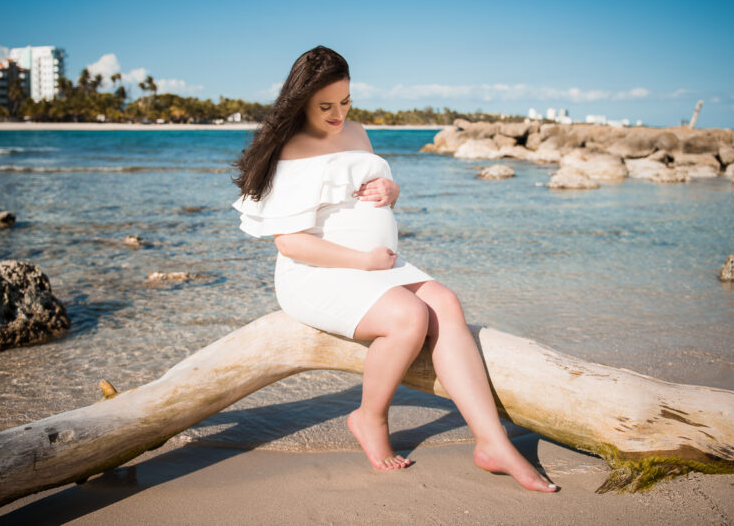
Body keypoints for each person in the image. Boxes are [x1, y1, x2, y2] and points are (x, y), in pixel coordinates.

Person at [233, 46, 557, 492]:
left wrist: (392, 188)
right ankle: (369, 417)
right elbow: (290, 243)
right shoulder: (291, 149)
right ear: (300, 101)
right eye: (326, 106)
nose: (338, 114)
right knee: (411, 317)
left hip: (376, 267)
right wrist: (363, 259)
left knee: (445, 302)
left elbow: (360, 190)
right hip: (316, 273)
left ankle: (492, 442)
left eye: (345, 102)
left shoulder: (358, 131)